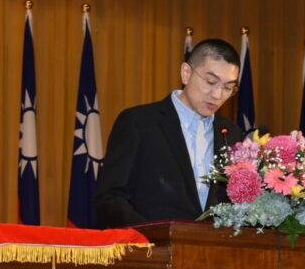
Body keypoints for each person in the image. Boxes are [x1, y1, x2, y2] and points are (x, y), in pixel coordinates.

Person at [95, 38, 244, 228]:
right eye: (211, 82)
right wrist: (153, 237)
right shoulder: (138, 123)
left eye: (228, 88)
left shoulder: (231, 134)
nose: (217, 95)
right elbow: (110, 199)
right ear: (186, 73)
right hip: (149, 244)